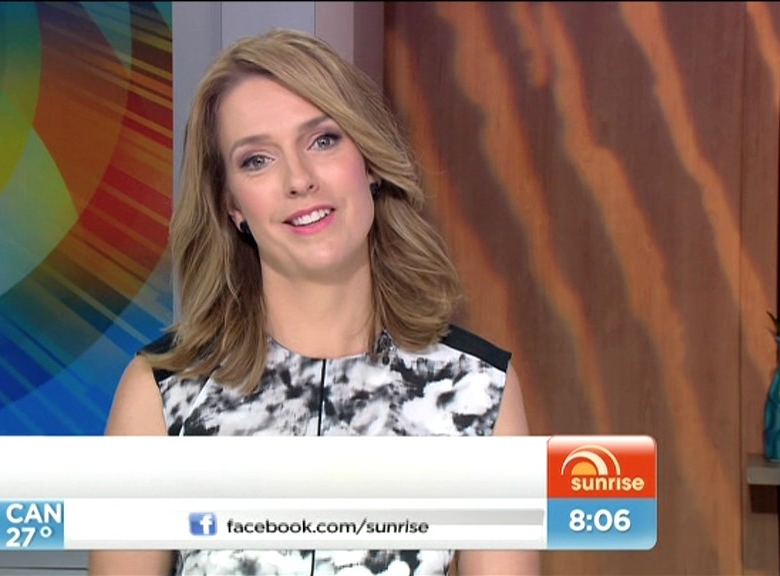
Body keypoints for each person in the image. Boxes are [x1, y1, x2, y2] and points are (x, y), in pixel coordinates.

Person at [89, 28, 538, 576]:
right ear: (232, 204)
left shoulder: (479, 390)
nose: (299, 179)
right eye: (257, 160)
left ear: (369, 162)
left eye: (323, 140)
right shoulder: (160, 394)